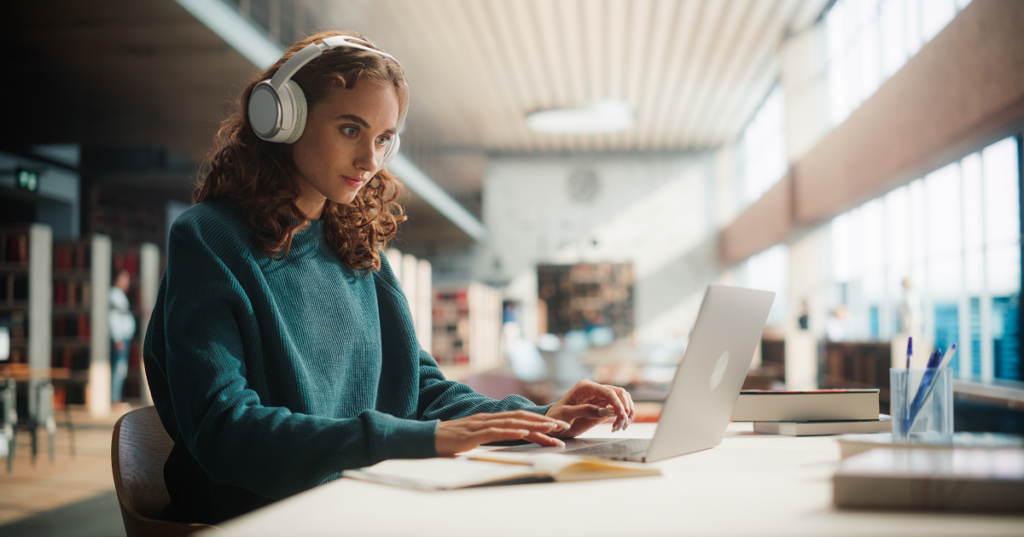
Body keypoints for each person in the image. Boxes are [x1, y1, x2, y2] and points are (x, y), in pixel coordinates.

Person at [143, 30, 635, 525]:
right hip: (257, 520)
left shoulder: (357, 249)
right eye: (351, 130)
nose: (370, 161)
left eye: (383, 139)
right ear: (283, 118)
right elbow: (226, 431)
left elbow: (418, 390)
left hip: (359, 506)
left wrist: (536, 419)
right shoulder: (208, 238)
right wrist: (414, 439)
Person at [109, 269, 135, 404]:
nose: (127, 282)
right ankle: (114, 399)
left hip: (124, 337)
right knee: (119, 368)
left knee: (121, 368)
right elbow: (113, 317)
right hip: (120, 338)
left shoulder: (120, 295)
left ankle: (116, 397)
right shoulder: (114, 294)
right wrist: (118, 337)